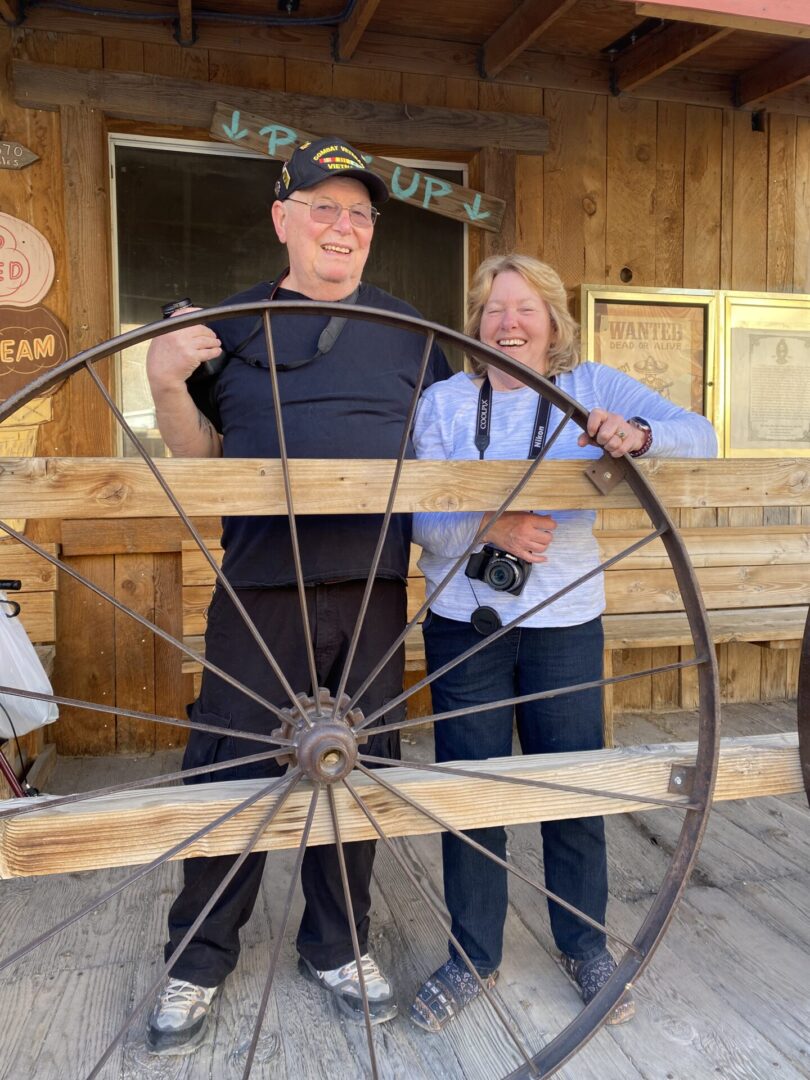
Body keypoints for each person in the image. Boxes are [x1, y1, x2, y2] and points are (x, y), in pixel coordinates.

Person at [144, 137, 450, 1055]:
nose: (342, 227)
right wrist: (165, 380)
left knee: (351, 772)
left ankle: (339, 945)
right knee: (228, 772)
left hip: (373, 589)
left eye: (358, 213)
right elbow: (197, 461)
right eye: (323, 207)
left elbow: (447, 459)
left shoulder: (414, 334)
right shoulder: (228, 326)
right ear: (283, 220)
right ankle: (197, 961)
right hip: (260, 586)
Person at [408, 253, 717, 1032]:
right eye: (493, 309)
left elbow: (702, 438)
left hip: (565, 628)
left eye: (525, 309)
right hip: (467, 628)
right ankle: (472, 955)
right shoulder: (444, 403)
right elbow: (414, 519)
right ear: (475, 322)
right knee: (469, 794)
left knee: (573, 787)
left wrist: (637, 435)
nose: (508, 323)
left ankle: (584, 945)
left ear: (553, 321)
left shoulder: (593, 388)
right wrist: (488, 523)